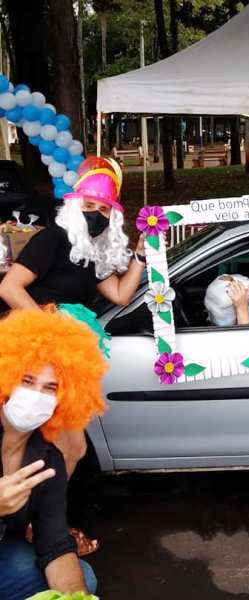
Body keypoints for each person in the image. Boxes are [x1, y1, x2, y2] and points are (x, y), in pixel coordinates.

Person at [0, 156, 145, 482]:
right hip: (35, 353)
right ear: (75, 206)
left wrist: (141, 256)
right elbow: (10, 287)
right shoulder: (52, 239)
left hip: (65, 362)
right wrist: (52, 334)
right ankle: (17, 521)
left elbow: (121, 294)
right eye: (89, 205)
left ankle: (44, 516)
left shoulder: (91, 252)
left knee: (72, 448)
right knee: (17, 439)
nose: (95, 214)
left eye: (104, 210)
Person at [0, 307, 107, 599]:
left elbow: (55, 545)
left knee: (83, 578)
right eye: (27, 380)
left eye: (50, 388)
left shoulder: (48, 459)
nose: (35, 395)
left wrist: (77, 597)